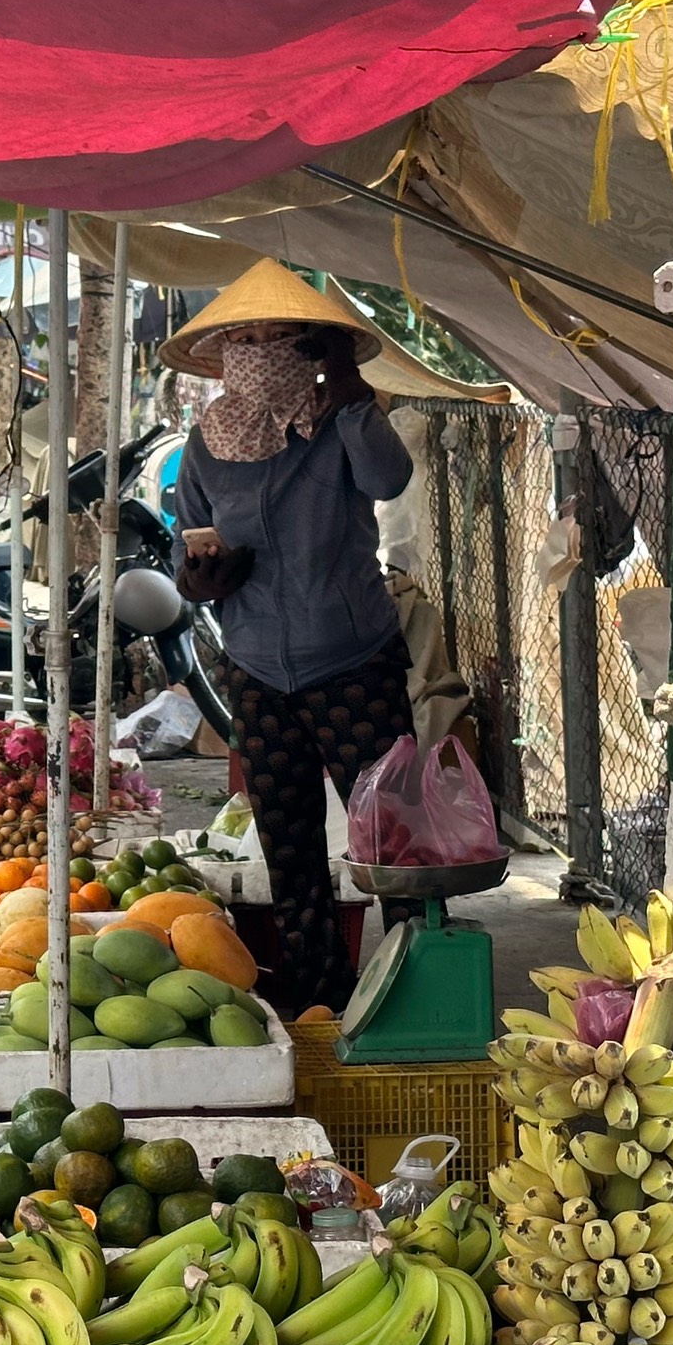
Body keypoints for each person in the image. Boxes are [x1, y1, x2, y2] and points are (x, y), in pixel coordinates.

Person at [164, 259, 415, 1011]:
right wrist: (199, 578)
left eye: (274, 333)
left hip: (351, 661)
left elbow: (388, 480)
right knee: (290, 847)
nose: (257, 344)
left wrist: (352, 402)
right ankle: (319, 999)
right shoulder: (208, 443)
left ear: (310, 347)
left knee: (390, 840)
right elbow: (189, 538)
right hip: (257, 670)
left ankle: (409, 985)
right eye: (243, 334)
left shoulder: (340, 424)